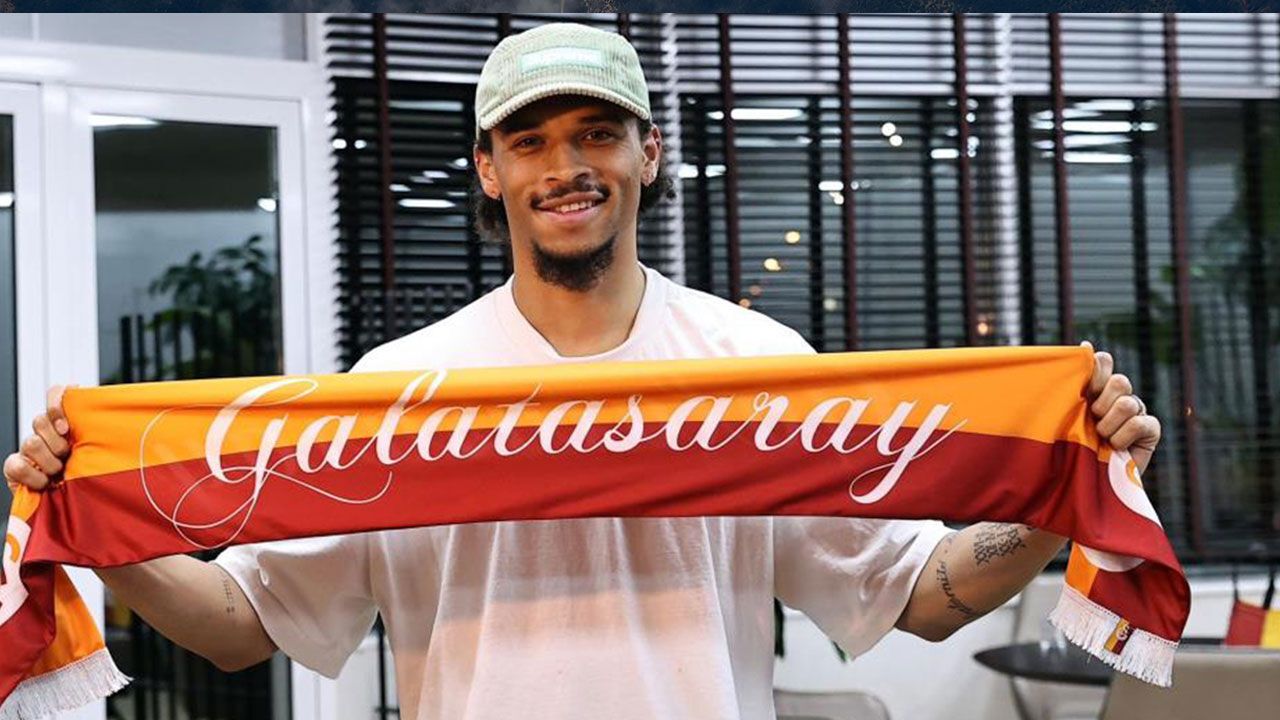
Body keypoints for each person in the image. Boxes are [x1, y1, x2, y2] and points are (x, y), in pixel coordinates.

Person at [4, 22, 1162, 720]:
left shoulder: (757, 373)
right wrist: (97, 520)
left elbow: (915, 597)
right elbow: (240, 625)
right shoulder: (399, 389)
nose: (566, 166)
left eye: (596, 134)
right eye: (531, 141)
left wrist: (1062, 491)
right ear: (487, 170)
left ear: (648, 152)